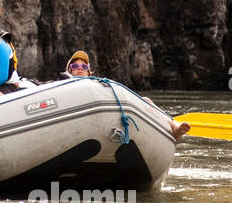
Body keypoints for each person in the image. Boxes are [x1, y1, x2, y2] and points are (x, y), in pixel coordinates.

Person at [55, 49, 191, 142]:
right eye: (76, 66)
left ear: (89, 72)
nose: (80, 68)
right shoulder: (62, 84)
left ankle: (174, 126)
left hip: (107, 115)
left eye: (84, 67)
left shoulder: (99, 83)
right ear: (70, 70)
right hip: (79, 117)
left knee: (146, 100)